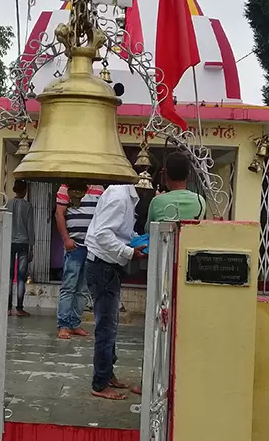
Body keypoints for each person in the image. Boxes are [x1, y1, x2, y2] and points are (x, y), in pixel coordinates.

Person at [84, 183, 147, 401]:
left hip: (105, 265)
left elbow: (119, 232)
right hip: (102, 265)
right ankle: (100, 384)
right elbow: (103, 234)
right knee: (106, 327)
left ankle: (107, 374)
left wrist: (137, 240)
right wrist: (129, 252)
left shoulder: (124, 196)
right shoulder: (120, 198)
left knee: (110, 324)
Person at [54, 181, 102, 339]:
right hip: (74, 246)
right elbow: (59, 214)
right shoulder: (66, 187)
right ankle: (63, 325)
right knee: (69, 287)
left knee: (83, 289)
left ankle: (74, 324)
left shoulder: (99, 189)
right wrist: (66, 239)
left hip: (91, 247)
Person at [147, 153, 207, 223]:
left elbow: (149, 229)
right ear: (189, 174)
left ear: (164, 173)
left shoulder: (157, 201)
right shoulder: (200, 201)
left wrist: (159, 198)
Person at [8, 179, 35, 316]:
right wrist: (32, 247)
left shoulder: (8, 204)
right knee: (20, 277)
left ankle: (7, 308)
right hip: (24, 243)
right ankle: (19, 308)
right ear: (25, 190)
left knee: (9, 275)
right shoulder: (28, 206)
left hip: (9, 242)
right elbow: (30, 228)